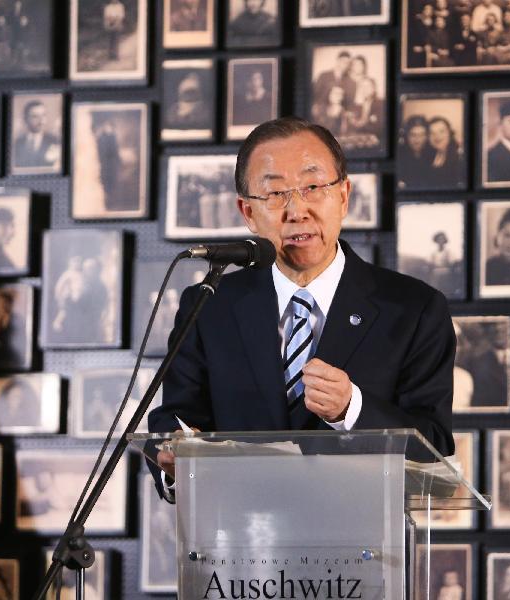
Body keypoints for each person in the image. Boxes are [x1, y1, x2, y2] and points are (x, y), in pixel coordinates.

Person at [148, 117, 456, 501]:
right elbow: (174, 418)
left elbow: (435, 447)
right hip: (239, 544)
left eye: (313, 187)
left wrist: (351, 408)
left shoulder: (414, 309)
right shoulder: (209, 304)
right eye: (275, 194)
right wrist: (175, 458)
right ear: (248, 212)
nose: (297, 211)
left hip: (365, 546)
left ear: (343, 196)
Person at [13, 99, 61, 171]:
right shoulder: (17, 143)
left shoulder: (55, 141)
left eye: (43, 115)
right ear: (25, 119)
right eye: (35, 116)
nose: (41, 121)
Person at [425, 116, 465, 188]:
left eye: (442, 131)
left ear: (450, 133)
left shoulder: (460, 156)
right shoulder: (431, 155)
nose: (437, 136)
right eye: (432, 133)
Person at [398, 115, 432, 189]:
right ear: (406, 136)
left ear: (427, 136)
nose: (417, 140)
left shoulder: (433, 153)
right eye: (413, 135)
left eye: (422, 135)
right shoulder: (399, 154)